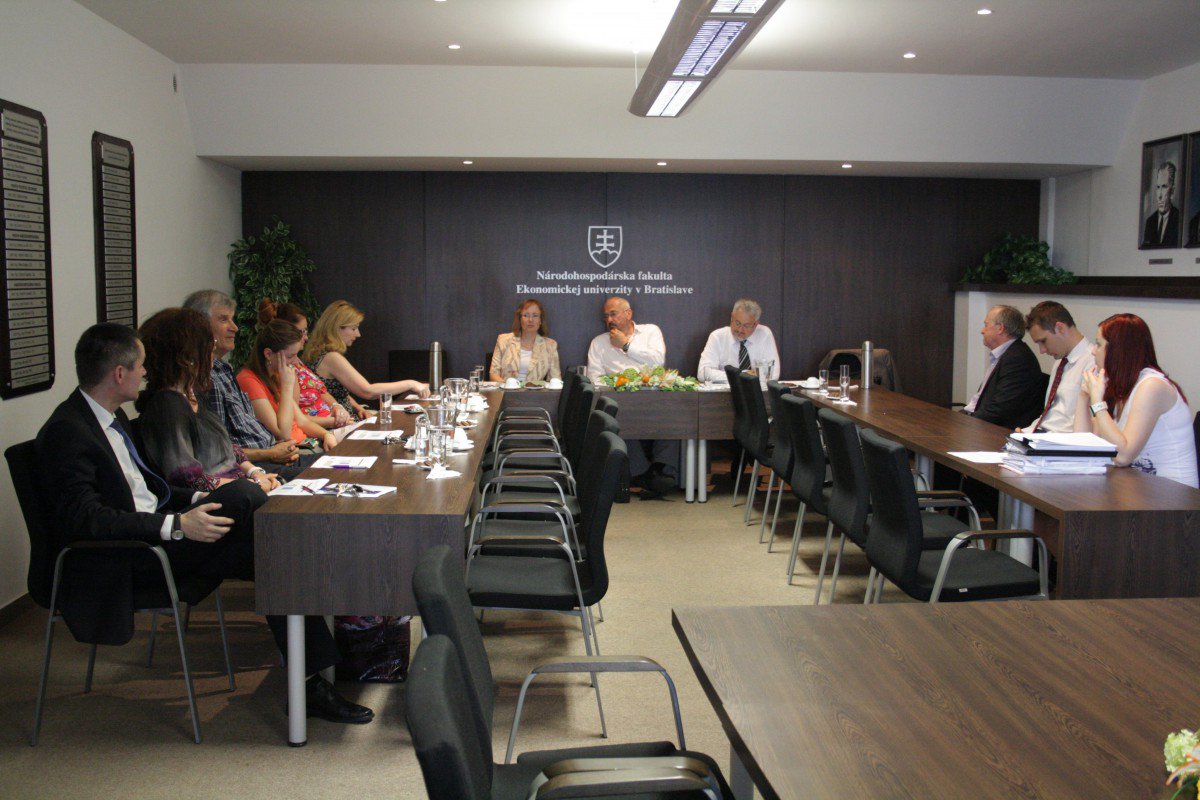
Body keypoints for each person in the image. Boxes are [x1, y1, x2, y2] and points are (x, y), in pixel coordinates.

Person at [35, 323, 373, 723]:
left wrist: (196, 502)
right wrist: (177, 526)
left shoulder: (112, 419)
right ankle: (321, 671)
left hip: (162, 533)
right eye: (140, 366)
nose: (146, 372)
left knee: (277, 553)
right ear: (120, 374)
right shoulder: (68, 431)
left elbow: (153, 490)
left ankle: (313, 681)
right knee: (249, 501)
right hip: (131, 555)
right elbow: (85, 520)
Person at [135, 308, 281, 494]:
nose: (213, 350)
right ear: (187, 356)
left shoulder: (194, 393)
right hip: (221, 497)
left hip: (240, 483)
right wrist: (252, 485)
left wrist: (255, 473)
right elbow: (187, 478)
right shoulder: (168, 405)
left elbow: (228, 448)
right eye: (209, 345)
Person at [182, 290, 312, 479]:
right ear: (199, 326)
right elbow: (221, 450)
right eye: (224, 319)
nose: (234, 328)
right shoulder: (205, 379)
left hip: (272, 456)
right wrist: (270, 454)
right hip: (255, 467)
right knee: (331, 474)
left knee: (341, 466)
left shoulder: (224, 369)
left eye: (232, 319)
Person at [1074, 313, 1197, 488]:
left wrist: (1097, 402)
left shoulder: (1152, 386)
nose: (1093, 350)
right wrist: (1083, 396)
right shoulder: (1119, 385)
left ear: (1118, 351)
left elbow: (1122, 456)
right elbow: (1084, 446)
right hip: (1135, 488)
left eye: (1099, 344)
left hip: (1172, 495)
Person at [585, 296, 677, 496]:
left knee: (675, 415)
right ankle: (643, 474)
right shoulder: (599, 343)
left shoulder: (651, 331)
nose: (609, 320)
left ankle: (661, 469)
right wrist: (619, 384)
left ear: (628, 314)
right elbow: (595, 379)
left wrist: (626, 345)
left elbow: (658, 362)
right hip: (620, 400)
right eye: (606, 316)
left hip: (653, 399)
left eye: (613, 314)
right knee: (616, 418)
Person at [303, 300, 430, 420]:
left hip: (346, 415)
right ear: (336, 328)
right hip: (339, 422)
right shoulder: (331, 357)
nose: (358, 334)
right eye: (353, 328)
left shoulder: (318, 352)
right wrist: (411, 384)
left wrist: (359, 408)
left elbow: (337, 392)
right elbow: (368, 392)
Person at [238, 320, 337, 452]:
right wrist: (287, 387)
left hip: (305, 442)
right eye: (290, 356)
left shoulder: (277, 375)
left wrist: (326, 434)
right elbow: (283, 434)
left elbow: (301, 421)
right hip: (292, 450)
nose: (296, 362)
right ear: (268, 354)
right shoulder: (249, 381)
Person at [259, 299, 352, 430]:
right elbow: (295, 419)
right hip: (320, 428)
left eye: (305, 331)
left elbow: (321, 391)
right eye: (301, 332)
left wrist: (337, 407)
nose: (306, 337)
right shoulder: (285, 370)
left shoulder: (295, 362)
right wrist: (333, 423)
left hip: (331, 423)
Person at [961, 304, 1044, 430]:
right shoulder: (1006, 354)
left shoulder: (1017, 358)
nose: (982, 331)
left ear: (1000, 328)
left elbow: (1000, 409)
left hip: (997, 431)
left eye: (986, 325)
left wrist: (967, 422)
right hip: (981, 423)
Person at [1018, 301, 1095, 434]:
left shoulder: (1093, 363)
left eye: (1043, 341)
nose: (1042, 350)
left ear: (1060, 328)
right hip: (1043, 435)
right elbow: (1051, 416)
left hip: (1065, 441)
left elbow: (1087, 424)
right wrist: (1027, 432)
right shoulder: (1060, 362)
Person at [696, 298, 780, 383]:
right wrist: (743, 375)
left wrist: (728, 376)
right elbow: (703, 373)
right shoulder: (717, 337)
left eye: (746, 325)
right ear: (732, 317)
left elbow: (773, 374)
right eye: (737, 323)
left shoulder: (764, 334)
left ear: (755, 324)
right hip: (725, 391)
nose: (740, 330)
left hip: (756, 390)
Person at [489, 298, 562, 382]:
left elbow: (555, 379)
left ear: (540, 320)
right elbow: (493, 374)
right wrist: (507, 386)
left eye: (535, 315)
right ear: (520, 319)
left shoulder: (550, 345)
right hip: (506, 389)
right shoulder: (503, 340)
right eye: (526, 315)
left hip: (535, 390)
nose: (530, 320)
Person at [1143, 162, 1181, 247]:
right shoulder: (1150, 222)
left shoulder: (1179, 219)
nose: (1159, 195)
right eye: (1158, 187)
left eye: (1164, 187)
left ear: (1172, 191)